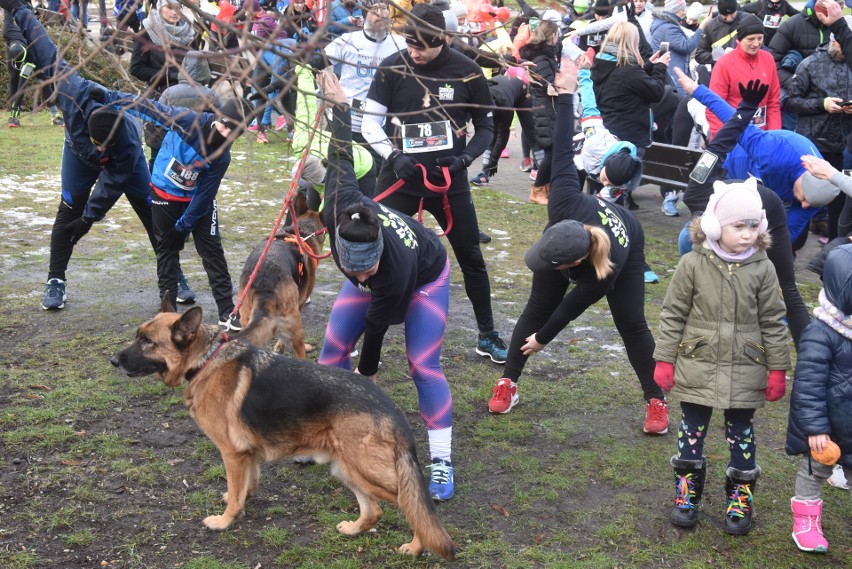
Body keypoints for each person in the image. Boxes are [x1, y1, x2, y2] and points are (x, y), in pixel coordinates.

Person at [488, 59, 670, 438]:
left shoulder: (604, 270)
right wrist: (568, 92)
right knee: (535, 308)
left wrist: (542, 340)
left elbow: (570, 308)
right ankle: (508, 383)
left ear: (573, 263)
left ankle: (655, 398)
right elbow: (559, 148)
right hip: (579, 234)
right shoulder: (564, 201)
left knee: (631, 324)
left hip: (627, 243)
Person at [316, 70, 457, 501]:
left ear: (378, 254)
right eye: (354, 272)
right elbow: (340, 155)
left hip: (423, 279)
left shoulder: (389, 270)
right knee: (329, 353)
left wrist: (368, 376)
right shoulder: (337, 206)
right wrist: (340, 106)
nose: (360, 278)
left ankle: (441, 461)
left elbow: (375, 332)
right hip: (388, 275)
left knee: (422, 365)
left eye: (367, 271)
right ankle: (328, 433)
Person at [360, 3, 510, 364]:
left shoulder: (468, 71)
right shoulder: (392, 66)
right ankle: (360, 332)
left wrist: (465, 159)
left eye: (421, 48)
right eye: (410, 45)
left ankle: (487, 333)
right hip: (400, 177)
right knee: (370, 251)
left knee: (471, 256)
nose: (414, 54)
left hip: (448, 182)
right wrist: (394, 157)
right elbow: (369, 124)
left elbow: (486, 127)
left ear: (442, 39)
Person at [3, 1, 161, 311]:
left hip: (125, 164)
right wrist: (19, 8)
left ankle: (172, 274)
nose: (102, 149)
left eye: (106, 146)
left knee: (149, 205)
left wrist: (90, 219)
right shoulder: (70, 90)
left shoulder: (127, 139)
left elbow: (113, 182)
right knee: (69, 211)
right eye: (98, 144)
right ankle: (55, 280)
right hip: (78, 155)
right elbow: (44, 46)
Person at [654, 177, 790, 535]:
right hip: (697, 362)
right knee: (691, 430)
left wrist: (778, 368)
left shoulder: (763, 268)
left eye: (753, 226)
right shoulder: (692, 264)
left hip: (747, 365)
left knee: (741, 432)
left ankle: (740, 499)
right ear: (716, 226)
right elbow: (673, 313)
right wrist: (665, 358)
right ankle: (687, 495)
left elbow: (774, 322)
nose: (746, 234)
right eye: (738, 226)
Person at [94, 85, 252, 331]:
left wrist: (184, 226)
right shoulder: (189, 121)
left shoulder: (222, 155)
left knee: (212, 250)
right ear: (218, 117)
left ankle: (227, 312)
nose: (225, 133)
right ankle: (168, 314)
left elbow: (205, 195)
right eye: (224, 125)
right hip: (164, 192)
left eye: (233, 132)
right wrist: (107, 96)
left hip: (197, 200)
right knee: (166, 249)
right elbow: (149, 108)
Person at [676, 73, 812, 347]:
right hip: (764, 199)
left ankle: (810, 353)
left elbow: (719, 144)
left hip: (766, 203)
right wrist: (746, 109)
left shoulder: (697, 188)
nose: (745, 237)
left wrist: (746, 110)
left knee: (786, 287)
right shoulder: (698, 190)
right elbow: (720, 143)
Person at [677, 66, 842, 250]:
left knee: (787, 243)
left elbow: (789, 231)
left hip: (767, 189)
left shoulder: (820, 192)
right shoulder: (774, 152)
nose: (803, 205)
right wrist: (698, 91)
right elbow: (734, 122)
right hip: (735, 170)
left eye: (809, 204)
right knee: (702, 234)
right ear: (803, 178)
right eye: (804, 199)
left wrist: (774, 257)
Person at [785, 244, 852, 553]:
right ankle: (806, 522)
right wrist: (815, 428)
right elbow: (808, 386)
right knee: (815, 471)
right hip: (828, 428)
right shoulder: (821, 333)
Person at [590, 22, 674, 214]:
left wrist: (650, 65)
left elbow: (627, 85)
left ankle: (603, 218)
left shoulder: (602, 63)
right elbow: (655, 92)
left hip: (608, 132)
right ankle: (615, 223)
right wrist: (660, 68)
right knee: (618, 189)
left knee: (607, 183)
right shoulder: (627, 69)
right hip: (629, 136)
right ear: (631, 41)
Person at [783, 20, 852, 240]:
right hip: (813, 143)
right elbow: (790, 101)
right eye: (841, 43)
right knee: (804, 200)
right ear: (832, 40)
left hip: (843, 144)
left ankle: (834, 247)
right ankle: (792, 245)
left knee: (840, 203)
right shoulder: (810, 64)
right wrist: (822, 104)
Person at [323, 0, 405, 168]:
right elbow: (315, 63)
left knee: (375, 178)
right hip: (346, 121)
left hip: (379, 127)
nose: (380, 14)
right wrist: (326, 89)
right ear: (365, 14)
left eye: (384, 9)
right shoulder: (348, 40)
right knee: (333, 172)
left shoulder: (400, 45)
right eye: (374, 10)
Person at [706, 14, 781, 138]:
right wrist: (723, 140)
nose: (756, 44)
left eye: (760, 38)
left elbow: (773, 103)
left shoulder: (768, 59)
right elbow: (714, 107)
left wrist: (774, 136)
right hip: (733, 134)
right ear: (740, 39)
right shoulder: (724, 64)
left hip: (761, 135)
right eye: (751, 39)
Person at [469, 67, 537, 187]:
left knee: (531, 133)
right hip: (500, 91)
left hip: (522, 92)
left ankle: (542, 171)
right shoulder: (479, 99)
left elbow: (502, 136)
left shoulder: (505, 106)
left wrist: (494, 161)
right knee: (491, 135)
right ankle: (484, 173)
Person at [520, 19, 560, 205]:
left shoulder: (543, 57)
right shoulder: (542, 60)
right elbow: (549, 85)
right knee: (551, 151)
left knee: (553, 151)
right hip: (546, 111)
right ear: (552, 36)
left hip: (547, 110)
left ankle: (546, 188)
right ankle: (537, 189)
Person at [130, 0, 199, 97]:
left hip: (187, 89)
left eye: (178, 8)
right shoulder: (147, 31)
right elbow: (136, 69)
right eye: (169, 7)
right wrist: (170, 75)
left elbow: (196, 64)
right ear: (160, 8)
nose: (174, 12)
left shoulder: (189, 32)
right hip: (160, 91)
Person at [649, 0, 710, 88]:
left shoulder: (665, 24)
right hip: (674, 76)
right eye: (682, 9)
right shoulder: (669, 28)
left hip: (671, 72)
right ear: (676, 10)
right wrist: (701, 27)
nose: (684, 12)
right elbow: (687, 47)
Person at [694, 0, 746, 68]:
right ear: (719, 12)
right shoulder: (711, 26)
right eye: (725, 15)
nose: (729, 18)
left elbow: (760, 48)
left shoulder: (747, 20)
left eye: (732, 14)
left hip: (745, 70)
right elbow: (699, 55)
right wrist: (718, 57)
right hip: (721, 72)